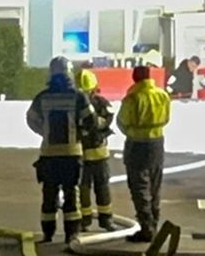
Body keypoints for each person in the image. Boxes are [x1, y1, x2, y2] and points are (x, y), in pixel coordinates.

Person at [26, 56, 96, 243]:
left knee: (49, 194)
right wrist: (81, 135)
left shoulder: (43, 97)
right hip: (71, 153)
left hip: (48, 154)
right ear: (69, 73)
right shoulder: (78, 96)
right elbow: (91, 122)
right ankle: (71, 234)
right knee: (71, 194)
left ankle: (48, 234)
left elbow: (31, 119)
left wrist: (44, 132)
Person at [118, 64, 171, 243]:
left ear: (135, 78)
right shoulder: (162, 95)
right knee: (155, 186)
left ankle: (146, 227)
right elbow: (166, 118)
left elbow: (122, 122)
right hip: (157, 144)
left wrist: (132, 132)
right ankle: (154, 223)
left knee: (139, 187)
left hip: (137, 145)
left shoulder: (132, 98)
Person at [75, 69, 116, 232]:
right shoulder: (101, 103)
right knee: (102, 187)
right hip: (98, 153)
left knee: (83, 188)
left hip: (81, 153)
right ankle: (105, 220)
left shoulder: (75, 104)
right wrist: (98, 125)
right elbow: (108, 119)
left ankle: (85, 221)